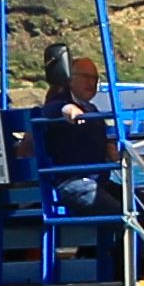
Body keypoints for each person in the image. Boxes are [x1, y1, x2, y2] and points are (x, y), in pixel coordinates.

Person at [41, 56, 117, 212]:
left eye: (95, 78)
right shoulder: (58, 102)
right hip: (70, 181)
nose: (91, 82)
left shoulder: (92, 110)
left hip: (98, 181)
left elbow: (108, 143)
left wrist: (110, 146)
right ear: (70, 79)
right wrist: (72, 112)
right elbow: (60, 109)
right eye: (86, 77)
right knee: (118, 211)